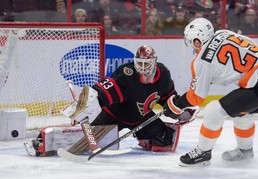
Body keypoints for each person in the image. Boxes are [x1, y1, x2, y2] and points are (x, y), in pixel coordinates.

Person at [28, 45, 195, 156]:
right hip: (113, 115)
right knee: (81, 141)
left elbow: (170, 99)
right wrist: (85, 105)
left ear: (154, 63)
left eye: (147, 63)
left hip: (141, 118)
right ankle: (43, 141)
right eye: (140, 63)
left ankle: (143, 136)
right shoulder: (127, 74)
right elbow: (102, 93)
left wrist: (182, 110)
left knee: (166, 141)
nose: (143, 67)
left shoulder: (163, 75)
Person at [163, 18, 258, 166]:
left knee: (213, 111)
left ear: (197, 41)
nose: (192, 46)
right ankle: (245, 152)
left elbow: (197, 98)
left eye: (191, 42)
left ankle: (203, 152)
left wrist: (177, 103)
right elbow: (250, 44)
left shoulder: (201, 61)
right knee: (242, 115)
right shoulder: (223, 33)